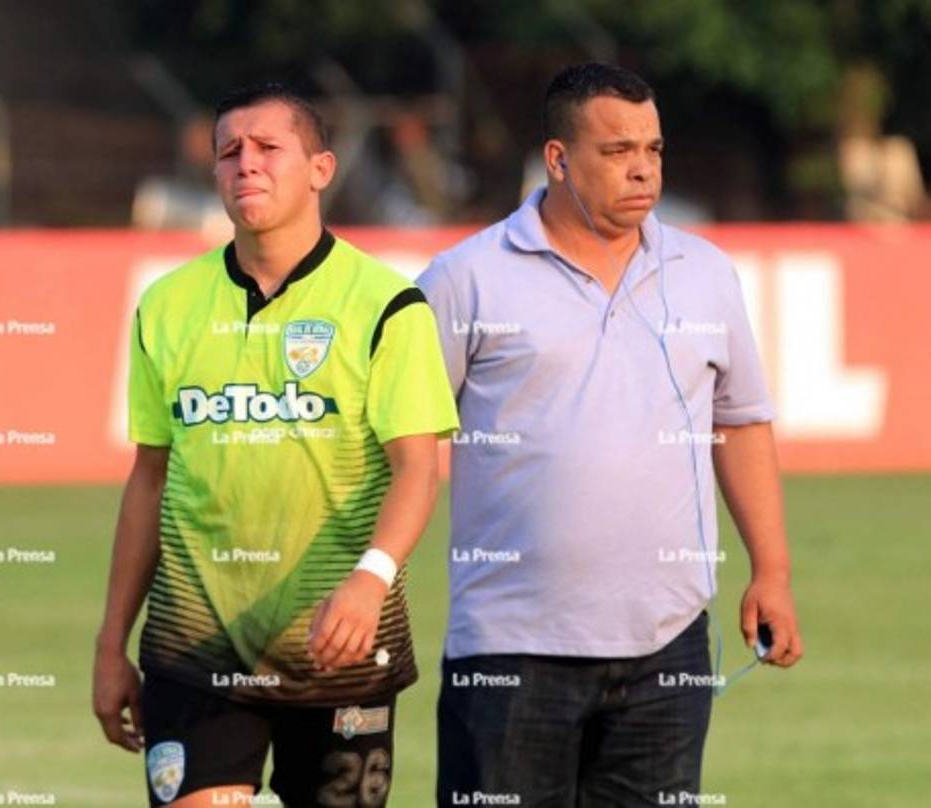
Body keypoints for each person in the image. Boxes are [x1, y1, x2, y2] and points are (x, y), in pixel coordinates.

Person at [418, 62, 804, 806]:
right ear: (558, 159)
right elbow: (405, 449)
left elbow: (741, 422)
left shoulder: (706, 273)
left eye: (653, 150)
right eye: (617, 150)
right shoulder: (465, 278)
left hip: (669, 648)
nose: (642, 169)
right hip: (509, 648)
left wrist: (773, 572)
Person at [92, 82, 459, 808]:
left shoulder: (388, 305)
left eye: (267, 148)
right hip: (195, 648)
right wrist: (111, 643)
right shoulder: (166, 306)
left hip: (343, 650)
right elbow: (149, 481)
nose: (245, 165)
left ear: (321, 168)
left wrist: (370, 578)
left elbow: (419, 467)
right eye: (229, 152)